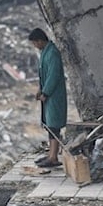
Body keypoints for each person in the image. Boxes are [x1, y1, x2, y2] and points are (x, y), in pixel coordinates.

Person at [28, 28, 67, 168]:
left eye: (34, 43)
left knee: (54, 126)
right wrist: (41, 90)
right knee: (50, 125)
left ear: (40, 41)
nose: (35, 46)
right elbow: (45, 75)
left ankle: (53, 157)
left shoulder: (52, 53)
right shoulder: (46, 52)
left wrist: (46, 92)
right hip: (49, 95)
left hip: (54, 95)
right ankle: (51, 155)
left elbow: (53, 76)